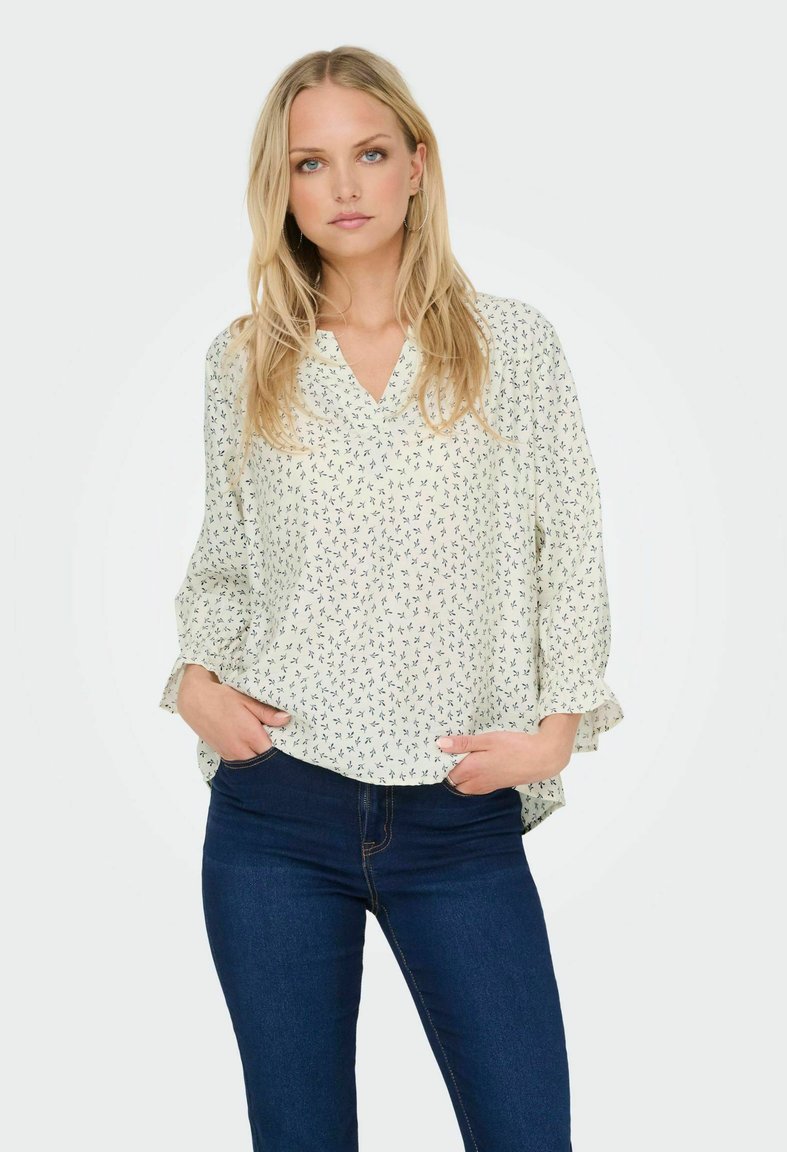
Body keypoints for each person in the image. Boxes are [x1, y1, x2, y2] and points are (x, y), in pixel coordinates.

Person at [158, 45, 623, 1152]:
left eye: (369, 154)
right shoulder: (244, 360)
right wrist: (192, 685)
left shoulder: (513, 345)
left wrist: (557, 729)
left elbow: (569, 541)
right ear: (283, 188)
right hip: (276, 813)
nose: (345, 187)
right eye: (310, 163)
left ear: (417, 164)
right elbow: (225, 558)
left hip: (457, 816)